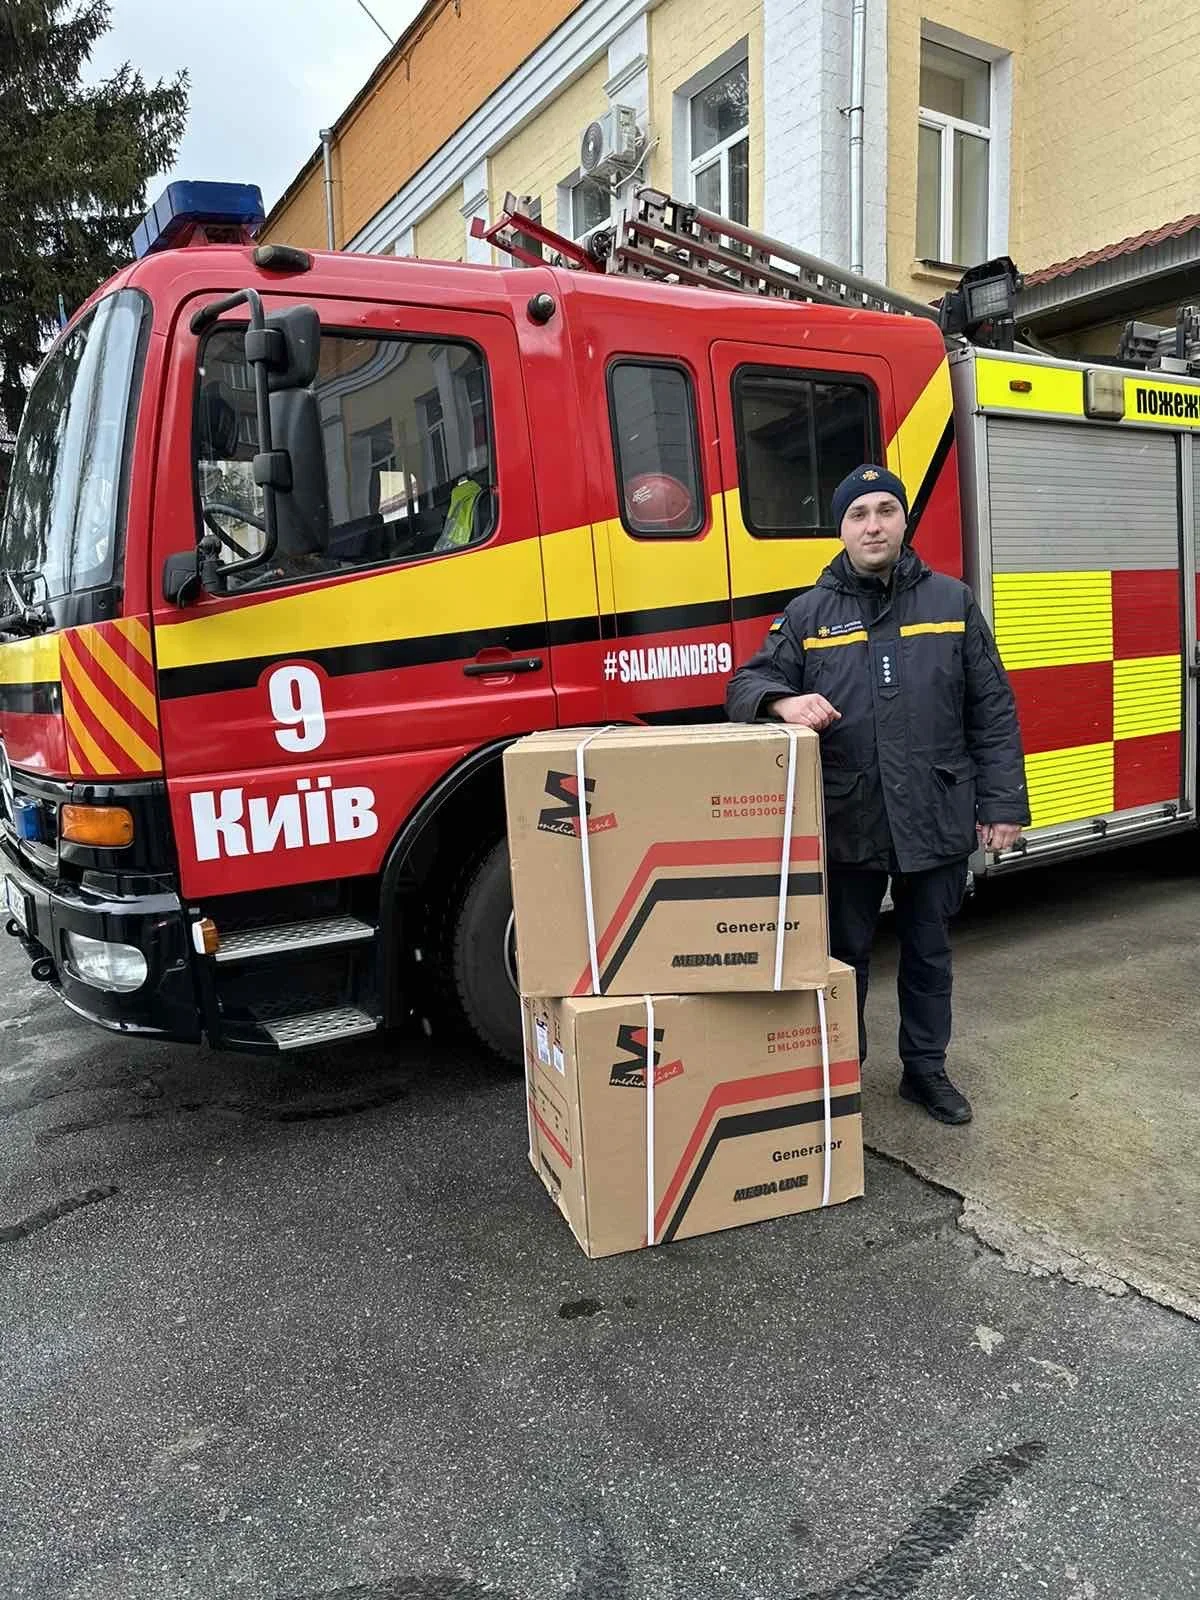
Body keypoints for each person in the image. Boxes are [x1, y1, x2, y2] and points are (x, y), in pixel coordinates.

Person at [725, 464, 1029, 1124]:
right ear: (841, 529)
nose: (873, 524)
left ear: (903, 522)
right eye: (858, 513)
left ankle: (925, 1070)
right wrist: (781, 699)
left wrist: (1002, 803)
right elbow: (744, 686)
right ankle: (841, 1073)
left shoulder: (952, 602)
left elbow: (992, 707)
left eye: (885, 510)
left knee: (928, 950)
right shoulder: (808, 613)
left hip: (935, 807)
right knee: (844, 956)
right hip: (850, 814)